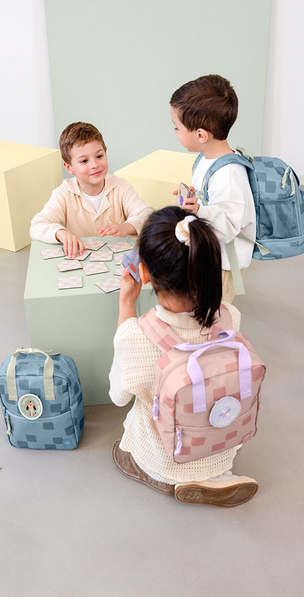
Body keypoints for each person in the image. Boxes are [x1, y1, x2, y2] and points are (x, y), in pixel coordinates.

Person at [109, 207, 258, 507]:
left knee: (123, 444)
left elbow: (118, 396)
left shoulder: (137, 336)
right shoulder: (230, 317)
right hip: (219, 439)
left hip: (166, 454)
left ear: (145, 274)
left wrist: (126, 302)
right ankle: (213, 474)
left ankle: (161, 476)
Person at [170, 74, 256, 302]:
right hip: (208, 254)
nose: (175, 132)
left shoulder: (229, 174)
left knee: (215, 312)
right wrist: (194, 199)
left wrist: (199, 209)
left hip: (223, 264)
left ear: (201, 135)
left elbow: (228, 226)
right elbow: (210, 199)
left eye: (177, 128)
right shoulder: (206, 158)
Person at [30, 122, 153, 257]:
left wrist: (128, 226)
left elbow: (148, 214)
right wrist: (60, 233)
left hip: (118, 259)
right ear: (69, 167)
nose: (95, 165)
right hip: (80, 258)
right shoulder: (63, 193)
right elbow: (37, 226)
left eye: (99, 156)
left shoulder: (120, 187)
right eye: (84, 161)